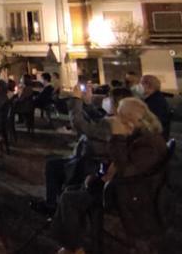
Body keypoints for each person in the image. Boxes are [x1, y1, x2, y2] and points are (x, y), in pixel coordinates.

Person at [50, 98, 169, 254]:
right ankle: (72, 241)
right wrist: (99, 176)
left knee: (69, 199)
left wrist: (117, 137)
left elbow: (125, 170)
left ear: (130, 120)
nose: (115, 118)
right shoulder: (144, 134)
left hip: (129, 194)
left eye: (119, 116)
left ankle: (72, 247)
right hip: (127, 187)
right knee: (72, 190)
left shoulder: (149, 143)